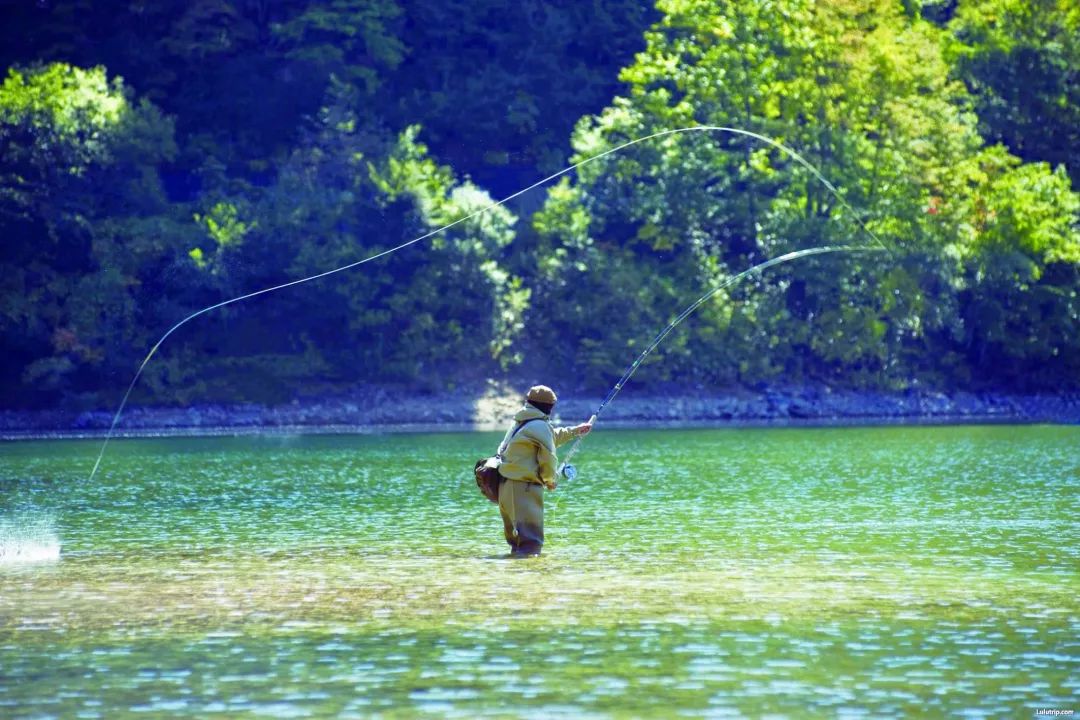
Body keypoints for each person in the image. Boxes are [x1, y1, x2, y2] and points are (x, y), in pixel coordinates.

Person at [496, 385, 593, 556]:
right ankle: (531, 573)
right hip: (523, 489)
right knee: (531, 545)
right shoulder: (539, 425)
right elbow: (548, 459)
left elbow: (550, 436)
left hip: (506, 488)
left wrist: (575, 431)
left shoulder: (521, 421)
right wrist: (550, 480)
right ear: (549, 406)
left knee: (518, 545)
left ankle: (515, 572)